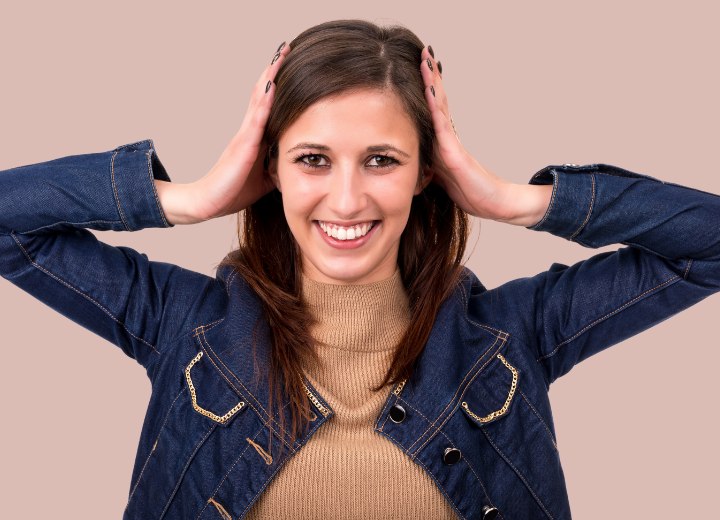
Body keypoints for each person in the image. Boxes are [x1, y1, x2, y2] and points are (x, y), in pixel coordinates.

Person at [1, 18, 718, 520]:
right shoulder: (185, 326)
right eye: (312, 159)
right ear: (269, 168)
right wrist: (189, 198)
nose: (346, 199)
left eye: (382, 160)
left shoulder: (512, 335)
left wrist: (507, 198)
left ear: (425, 173)